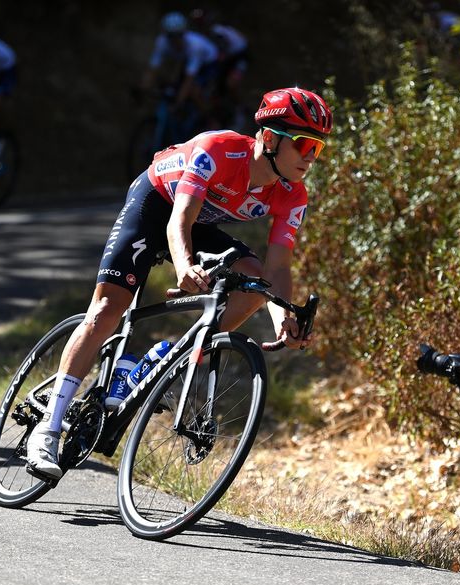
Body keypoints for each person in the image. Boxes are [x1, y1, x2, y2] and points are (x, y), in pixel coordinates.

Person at [25, 87, 334, 479]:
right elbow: (179, 221)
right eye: (304, 144)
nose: (310, 158)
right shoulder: (218, 149)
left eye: (318, 150)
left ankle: (167, 356)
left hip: (202, 223)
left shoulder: (293, 194)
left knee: (255, 282)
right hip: (156, 205)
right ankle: (48, 428)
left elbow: (278, 268)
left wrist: (284, 318)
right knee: (106, 310)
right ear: (269, 138)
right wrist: (184, 266)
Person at [142, 11, 219, 121]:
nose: (175, 40)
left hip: (209, 62)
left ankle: (210, 120)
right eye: (171, 36)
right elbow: (152, 69)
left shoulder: (195, 47)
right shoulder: (162, 42)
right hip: (186, 59)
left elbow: (189, 79)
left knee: (193, 91)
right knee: (172, 85)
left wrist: (179, 102)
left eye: (178, 35)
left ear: (184, 33)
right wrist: (143, 88)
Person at [189, 8, 250, 129]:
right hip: (230, 56)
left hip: (239, 55)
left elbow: (223, 53)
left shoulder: (216, 31)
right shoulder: (204, 34)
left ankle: (240, 109)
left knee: (230, 84)